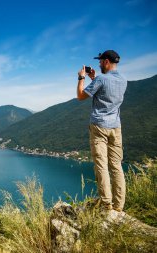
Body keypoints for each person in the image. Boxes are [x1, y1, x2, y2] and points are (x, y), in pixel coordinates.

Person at [76, 50, 127, 212]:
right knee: (116, 166)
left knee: (101, 166)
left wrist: (81, 78)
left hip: (99, 127)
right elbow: (107, 94)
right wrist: (94, 79)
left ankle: (107, 205)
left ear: (106, 61)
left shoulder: (101, 79)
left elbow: (80, 96)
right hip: (116, 127)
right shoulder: (123, 80)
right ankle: (119, 206)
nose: (98, 64)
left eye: (100, 61)